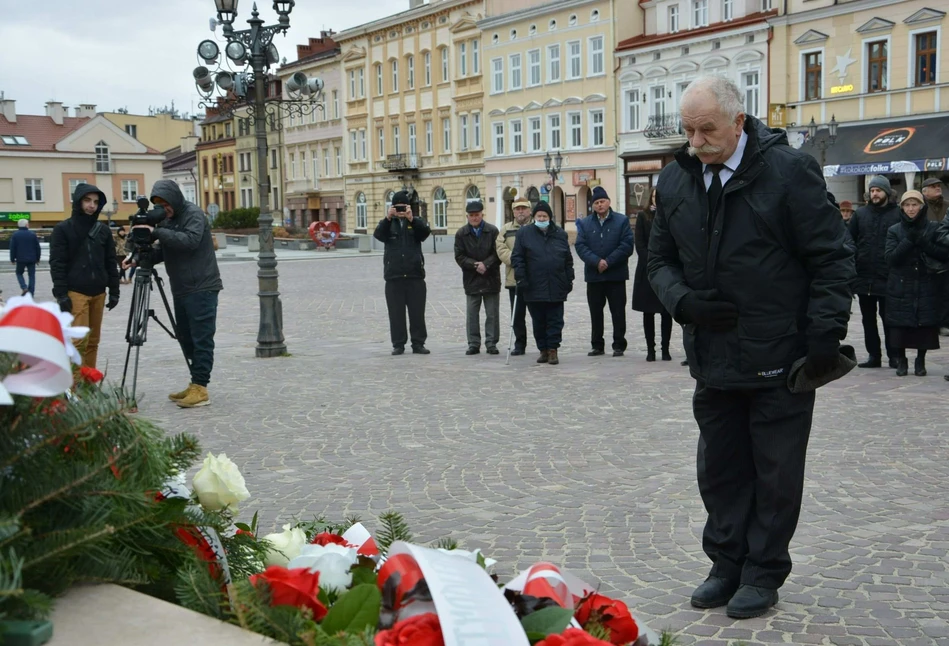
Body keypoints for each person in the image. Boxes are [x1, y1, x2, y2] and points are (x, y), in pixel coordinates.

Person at [647, 76, 854, 619]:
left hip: (781, 357)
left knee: (775, 471)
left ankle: (763, 571)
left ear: (738, 122)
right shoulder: (674, 181)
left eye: (707, 129)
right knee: (720, 469)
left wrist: (823, 335)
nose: (696, 141)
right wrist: (683, 303)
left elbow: (832, 257)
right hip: (712, 357)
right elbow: (657, 262)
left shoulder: (788, 172)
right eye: (688, 130)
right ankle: (726, 564)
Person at [127, 180, 223, 408]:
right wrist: (137, 257)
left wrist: (157, 231)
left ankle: (201, 388)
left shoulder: (193, 214)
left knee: (201, 338)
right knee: (186, 337)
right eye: (159, 205)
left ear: (174, 199)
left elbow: (189, 241)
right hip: (181, 288)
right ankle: (194, 382)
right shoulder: (167, 220)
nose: (164, 209)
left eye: (166, 204)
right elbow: (162, 250)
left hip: (202, 286)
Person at [49, 184, 120, 368]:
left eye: (96, 202)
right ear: (78, 201)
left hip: (99, 291)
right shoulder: (63, 229)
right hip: (76, 292)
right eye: (87, 200)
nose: (92, 205)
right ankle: (75, 386)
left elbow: (111, 262)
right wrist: (61, 294)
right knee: (78, 342)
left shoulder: (103, 231)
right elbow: (57, 263)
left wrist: (114, 290)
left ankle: (88, 383)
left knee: (93, 342)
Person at [884, 191, 948, 376]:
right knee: (900, 324)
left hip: (926, 282)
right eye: (907, 205)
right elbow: (890, 258)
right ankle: (902, 360)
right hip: (901, 284)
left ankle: (920, 360)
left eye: (915, 204)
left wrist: (924, 243)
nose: (911, 209)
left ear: (922, 206)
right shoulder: (894, 230)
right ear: (902, 207)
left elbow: (943, 254)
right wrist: (908, 241)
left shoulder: (933, 228)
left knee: (924, 324)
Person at [511, 201, 574, 365]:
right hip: (533, 285)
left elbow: (568, 259)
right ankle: (543, 349)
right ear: (534, 217)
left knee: (555, 320)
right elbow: (517, 258)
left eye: (544, 216)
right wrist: (521, 276)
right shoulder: (524, 233)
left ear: (549, 217)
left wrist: (569, 279)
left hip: (556, 284)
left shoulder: (560, 234)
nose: (541, 218)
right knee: (538, 320)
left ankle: (553, 349)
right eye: (539, 216)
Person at [575, 186, 634, 357]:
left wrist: (608, 262)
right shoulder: (586, 223)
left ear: (609, 202)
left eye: (602, 201)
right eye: (597, 202)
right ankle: (597, 345)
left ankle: (618, 344)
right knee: (595, 312)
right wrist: (596, 262)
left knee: (617, 311)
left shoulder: (621, 221)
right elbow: (580, 246)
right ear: (593, 206)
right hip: (594, 276)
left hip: (616, 275)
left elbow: (627, 245)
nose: (600, 205)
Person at [849, 176, 901, 368]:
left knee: (889, 319)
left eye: (878, 190)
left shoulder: (897, 214)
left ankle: (894, 355)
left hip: (889, 276)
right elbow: (850, 240)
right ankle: (874, 355)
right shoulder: (860, 214)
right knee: (867, 320)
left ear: (886, 192)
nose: (874, 194)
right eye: (872, 191)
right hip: (864, 276)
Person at [373, 190, 431, 356]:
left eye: (403, 207)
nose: (400, 210)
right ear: (392, 207)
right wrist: (388, 218)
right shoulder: (387, 223)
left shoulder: (416, 221)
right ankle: (398, 344)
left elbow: (425, 233)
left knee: (417, 312)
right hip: (394, 276)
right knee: (396, 313)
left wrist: (412, 218)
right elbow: (378, 235)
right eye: (397, 207)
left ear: (409, 207)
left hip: (415, 275)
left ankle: (418, 343)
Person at [454, 200, 501, 355]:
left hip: (490, 278)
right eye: (471, 215)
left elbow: (498, 253)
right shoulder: (461, 234)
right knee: (472, 314)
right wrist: (475, 265)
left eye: (477, 215)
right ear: (467, 216)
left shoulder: (492, 231)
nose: (474, 218)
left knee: (492, 313)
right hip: (471, 278)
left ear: (482, 214)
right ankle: (474, 343)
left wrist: (486, 264)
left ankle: (491, 343)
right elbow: (459, 256)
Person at [632, 189, 673, 361]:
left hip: (666, 269)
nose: (657, 199)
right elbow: (639, 242)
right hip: (647, 269)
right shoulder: (643, 216)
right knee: (648, 312)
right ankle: (651, 349)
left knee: (666, 311)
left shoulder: (669, 214)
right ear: (651, 197)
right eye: (655, 196)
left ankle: (665, 349)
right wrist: (650, 260)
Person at [496, 196, 533, 356]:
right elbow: (500, 249)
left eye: (523, 208)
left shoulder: (536, 227)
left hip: (534, 279)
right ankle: (520, 344)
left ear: (529, 210)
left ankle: (543, 344)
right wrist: (517, 260)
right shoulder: (506, 229)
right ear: (513, 211)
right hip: (514, 278)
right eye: (517, 209)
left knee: (538, 314)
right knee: (517, 315)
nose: (520, 211)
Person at [10, 219, 41, 296]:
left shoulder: (15, 235)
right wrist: (38, 258)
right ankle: (31, 293)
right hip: (32, 259)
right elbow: (37, 247)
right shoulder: (32, 234)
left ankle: (24, 287)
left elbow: (12, 248)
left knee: (19, 273)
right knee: (31, 276)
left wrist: (12, 259)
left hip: (20, 259)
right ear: (27, 225)